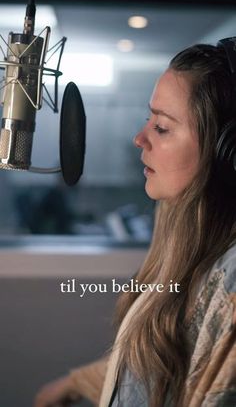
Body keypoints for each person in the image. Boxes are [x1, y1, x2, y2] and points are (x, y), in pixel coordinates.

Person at [34, 40, 236, 407]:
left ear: (225, 153)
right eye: (149, 120)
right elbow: (154, 360)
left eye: (161, 127)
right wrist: (75, 383)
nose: (139, 138)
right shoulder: (181, 237)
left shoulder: (231, 280)